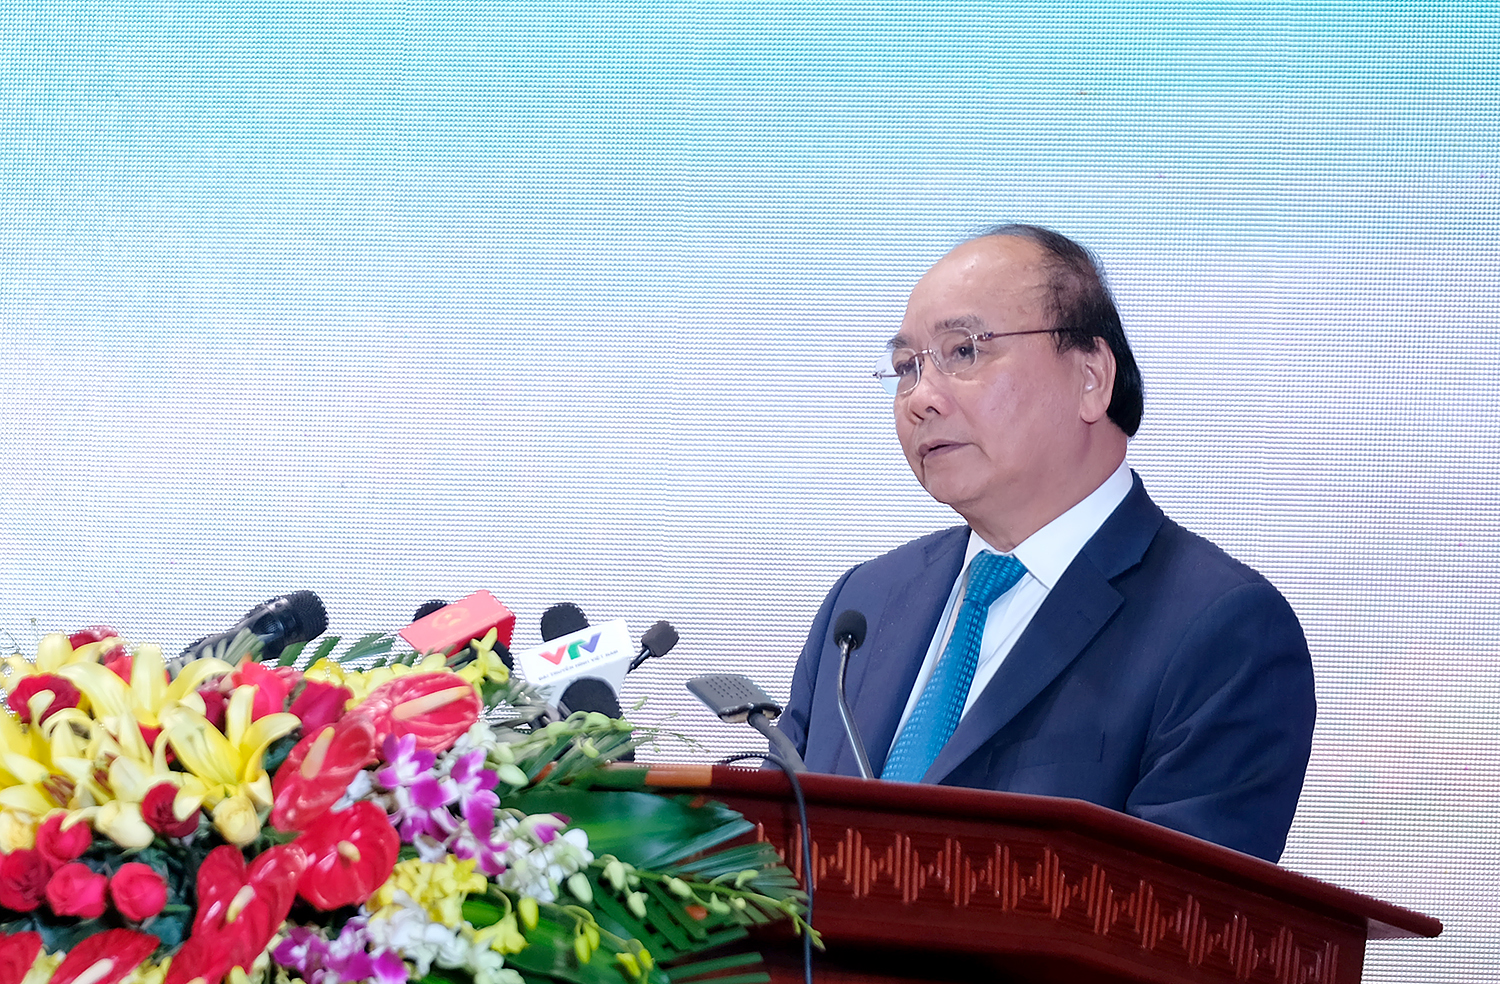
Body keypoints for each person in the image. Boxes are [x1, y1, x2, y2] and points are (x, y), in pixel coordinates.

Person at [777, 224, 1315, 863]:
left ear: (1090, 377)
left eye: (963, 352)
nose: (920, 398)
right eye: (905, 369)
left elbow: (1178, 911)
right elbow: (763, 862)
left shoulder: (1223, 630)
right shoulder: (865, 603)